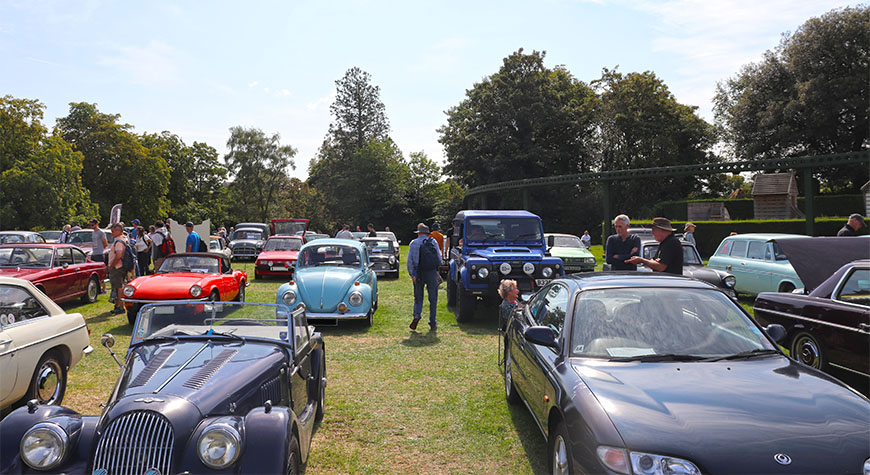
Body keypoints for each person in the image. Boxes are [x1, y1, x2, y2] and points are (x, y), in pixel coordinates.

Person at [408, 223, 441, 331]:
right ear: (427, 233)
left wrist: (412, 274)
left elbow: (410, 261)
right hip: (431, 272)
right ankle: (432, 322)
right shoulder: (433, 242)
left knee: (418, 298)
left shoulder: (413, 243)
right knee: (433, 299)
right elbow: (439, 259)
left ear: (418, 233)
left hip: (418, 272)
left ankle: (417, 315)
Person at [107, 223, 129, 314]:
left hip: (117, 267)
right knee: (119, 286)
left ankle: (120, 306)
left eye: (113, 231)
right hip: (121, 266)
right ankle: (118, 304)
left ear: (119, 231)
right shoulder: (124, 239)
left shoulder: (119, 241)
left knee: (118, 287)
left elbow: (118, 255)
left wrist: (111, 266)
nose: (112, 233)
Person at [89, 218, 109, 293]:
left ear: (96, 224)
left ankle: (104, 288)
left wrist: (101, 250)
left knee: (101, 272)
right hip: (94, 253)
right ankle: (98, 288)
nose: (91, 226)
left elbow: (105, 243)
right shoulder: (93, 232)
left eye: (93, 224)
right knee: (95, 272)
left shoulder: (101, 232)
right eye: (90, 225)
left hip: (100, 254)